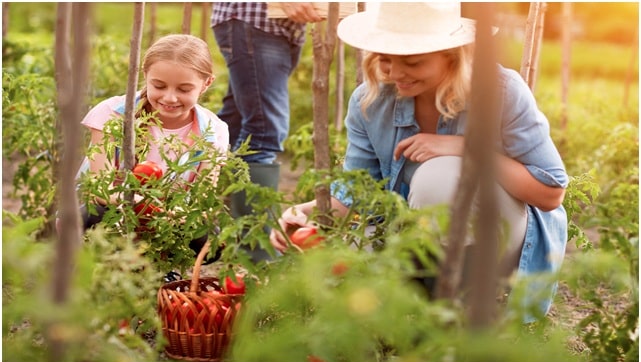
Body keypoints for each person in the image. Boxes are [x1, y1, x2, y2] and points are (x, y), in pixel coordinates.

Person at [269, 2, 569, 321]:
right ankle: (418, 301)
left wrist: (466, 148)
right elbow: (359, 192)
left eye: (412, 62)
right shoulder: (370, 102)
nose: (396, 74)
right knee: (349, 259)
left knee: (437, 177)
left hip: (497, 237)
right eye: (385, 60)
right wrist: (301, 212)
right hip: (415, 241)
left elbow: (550, 193)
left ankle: (459, 312)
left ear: (453, 56)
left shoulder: (501, 91)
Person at [74, 34, 229, 269]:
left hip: (169, 217)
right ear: (145, 75)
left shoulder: (213, 130)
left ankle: (162, 267)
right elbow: (99, 187)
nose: (169, 97)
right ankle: (103, 266)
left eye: (184, 89)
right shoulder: (113, 113)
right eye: (159, 86)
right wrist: (139, 204)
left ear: (206, 84)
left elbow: (201, 200)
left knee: (209, 239)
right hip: (114, 207)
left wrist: (171, 213)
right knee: (90, 215)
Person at [210, 2, 322, 262]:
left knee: (232, 125)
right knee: (263, 132)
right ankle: (258, 251)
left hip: (278, 25)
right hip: (255, 18)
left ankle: (200, 221)